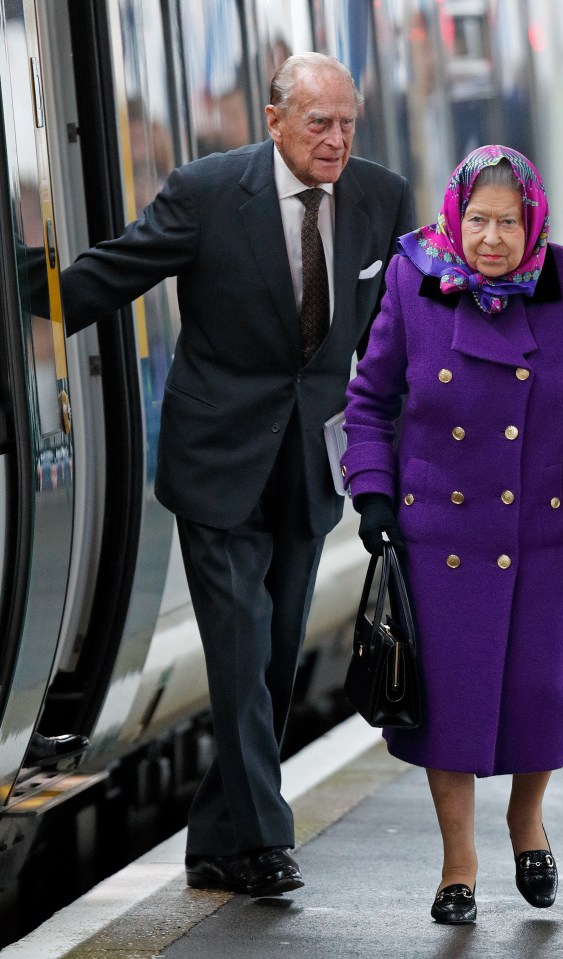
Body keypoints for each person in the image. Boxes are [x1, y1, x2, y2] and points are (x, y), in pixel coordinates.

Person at [59, 53, 414, 897]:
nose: (336, 140)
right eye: (320, 123)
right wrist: (26, 296)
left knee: (276, 651)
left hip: (308, 465)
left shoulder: (381, 197)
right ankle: (264, 838)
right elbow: (110, 275)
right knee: (240, 640)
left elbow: (394, 340)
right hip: (216, 462)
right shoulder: (210, 190)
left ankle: (218, 840)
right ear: (274, 119)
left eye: (347, 123)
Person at [341, 145, 563, 924]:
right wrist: (372, 492)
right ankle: (458, 865)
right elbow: (370, 400)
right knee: (448, 706)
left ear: (532, 223)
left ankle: (526, 819)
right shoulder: (414, 279)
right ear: (456, 217)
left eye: (508, 223)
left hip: (543, 534)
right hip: (438, 532)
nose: (490, 239)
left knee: (537, 695)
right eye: (477, 220)